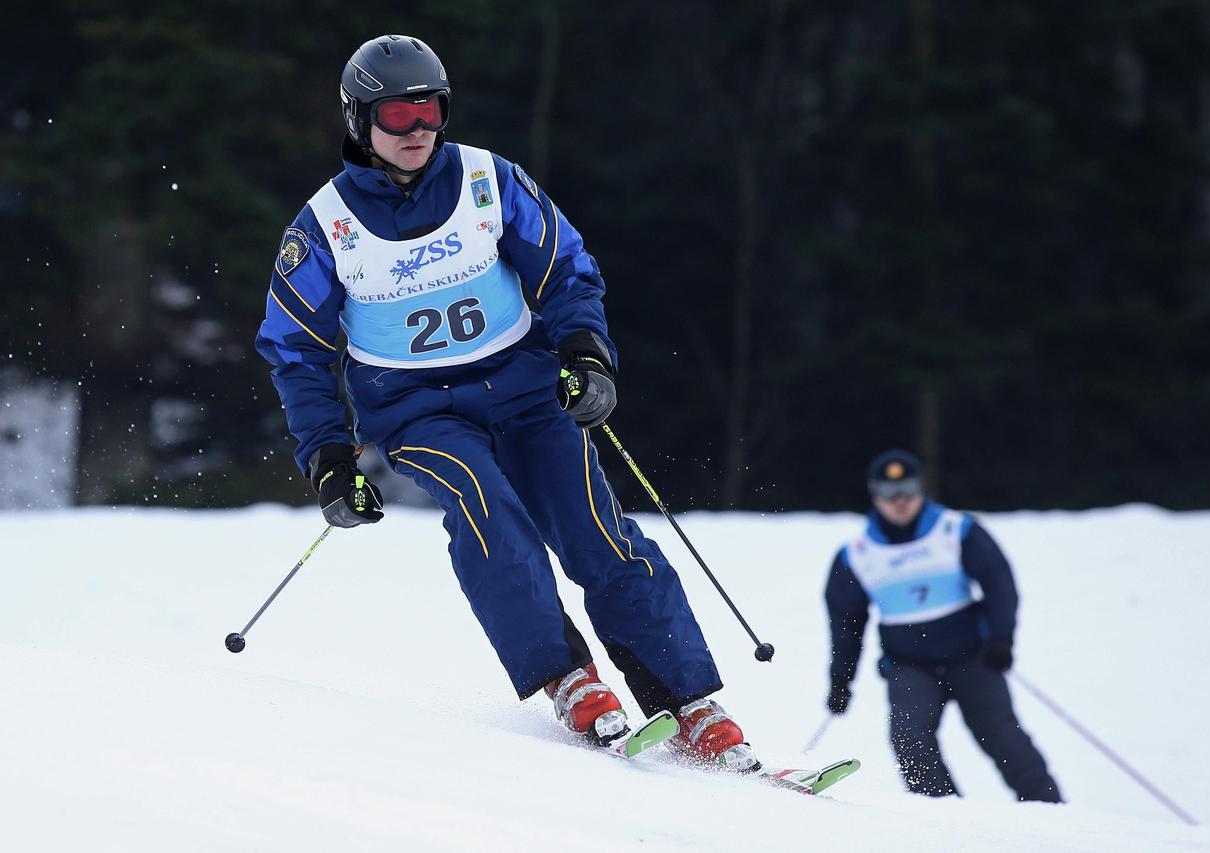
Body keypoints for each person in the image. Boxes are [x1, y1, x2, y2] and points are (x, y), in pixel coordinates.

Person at [255, 34, 758, 770]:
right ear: (359, 120)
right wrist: (330, 456)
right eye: (397, 115)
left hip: (523, 389)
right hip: (416, 409)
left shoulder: (490, 181)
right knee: (489, 512)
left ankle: (688, 699)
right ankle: (567, 677)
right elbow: (295, 346)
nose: (418, 128)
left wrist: (585, 352)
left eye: (430, 109)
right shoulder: (324, 226)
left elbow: (566, 268)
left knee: (599, 531)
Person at [823, 449, 1062, 802]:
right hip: (910, 666)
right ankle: (948, 820)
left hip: (974, 658)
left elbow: (999, 584)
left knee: (1004, 740)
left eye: (909, 488)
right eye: (890, 492)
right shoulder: (857, 554)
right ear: (875, 495)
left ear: (922, 487)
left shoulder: (957, 530)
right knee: (909, 739)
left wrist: (1002, 639)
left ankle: (1052, 813)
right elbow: (846, 624)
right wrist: (841, 680)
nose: (900, 500)